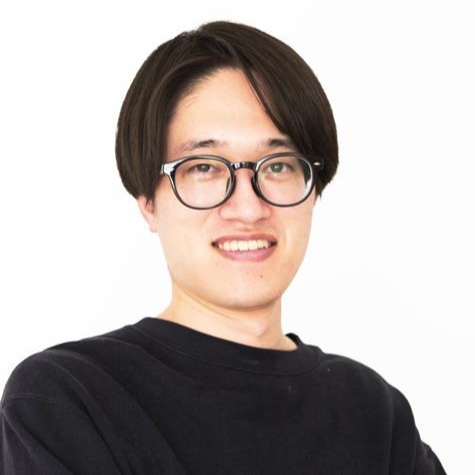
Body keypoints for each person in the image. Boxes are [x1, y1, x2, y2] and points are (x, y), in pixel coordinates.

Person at [0, 20, 446, 474]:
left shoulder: (374, 414)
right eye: (205, 167)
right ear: (148, 201)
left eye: (278, 165)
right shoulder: (68, 398)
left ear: (313, 189)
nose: (249, 208)